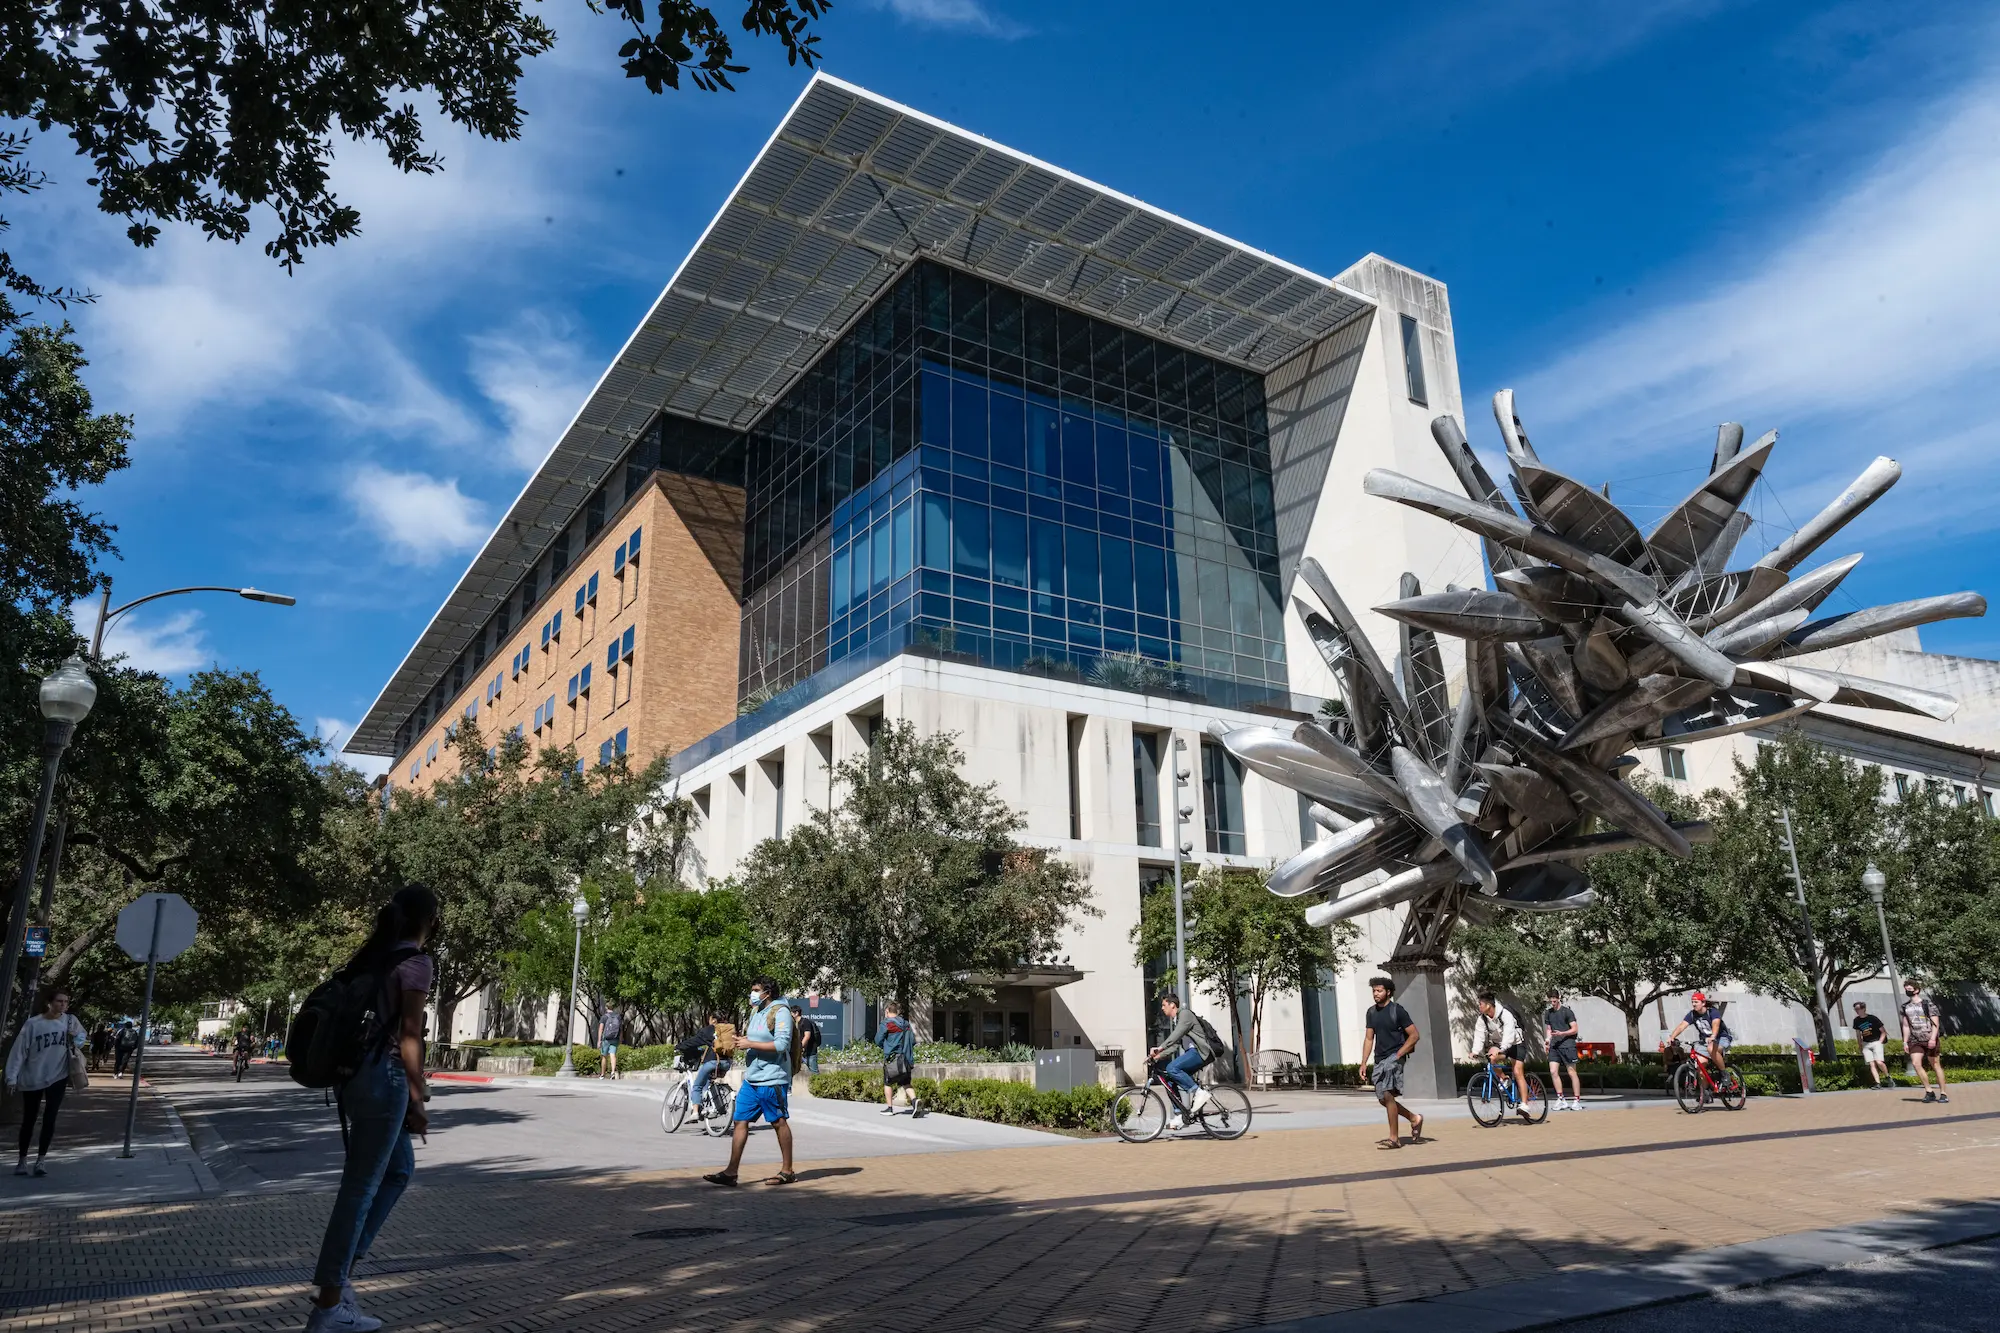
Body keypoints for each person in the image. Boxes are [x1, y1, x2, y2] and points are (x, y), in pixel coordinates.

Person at [302, 884, 439, 1333]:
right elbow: (410, 1035)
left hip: (355, 1079)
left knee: (398, 1171)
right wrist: (418, 1097)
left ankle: (339, 1282)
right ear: (430, 923)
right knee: (359, 1190)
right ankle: (329, 1303)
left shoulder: (374, 957)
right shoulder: (416, 962)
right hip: (387, 1081)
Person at [704, 979, 796, 1187]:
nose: (752, 994)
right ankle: (731, 1172)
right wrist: (741, 1041)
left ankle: (787, 1171)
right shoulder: (757, 1011)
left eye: (756, 990)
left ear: (768, 992)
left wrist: (750, 1043)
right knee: (740, 1121)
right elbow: (756, 1037)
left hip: (772, 1078)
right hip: (752, 1078)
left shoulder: (780, 1012)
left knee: (778, 1121)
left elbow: (782, 1044)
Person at [5, 988, 86, 1177]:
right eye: (59, 1001)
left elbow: (82, 1038)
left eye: (66, 1002)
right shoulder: (33, 1024)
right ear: (49, 1003)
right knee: (29, 1119)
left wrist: (76, 1038)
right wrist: (11, 1077)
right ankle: (22, 1159)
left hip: (58, 1076)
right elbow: (19, 1052)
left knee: (50, 1118)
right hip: (33, 1076)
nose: (63, 1005)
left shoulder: (70, 1021)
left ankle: (41, 1160)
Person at [1358, 976, 1425, 1149]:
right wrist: (1363, 1062)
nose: (1375, 994)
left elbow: (1414, 1035)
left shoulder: (1398, 1010)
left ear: (1388, 992)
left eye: (1379, 990)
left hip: (1395, 1057)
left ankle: (1394, 1139)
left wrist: (1398, 1055)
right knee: (1383, 1099)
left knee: (1387, 1094)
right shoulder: (1371, 1012)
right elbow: (1368, 1038)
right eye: (1373, 990)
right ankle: (1414, 1118)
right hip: (1379, 1059)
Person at [1145, 992, 1221, 1130]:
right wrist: (1157, 1056)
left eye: (1164, 1005)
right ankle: (1179, 1115)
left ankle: (1198, 1092)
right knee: (1168, 1079)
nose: (1162, 1008)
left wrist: (1160, 1047)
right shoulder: (1178, 1020)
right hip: (1192, 1053)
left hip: (1200, 1052)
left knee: (1172, 1068)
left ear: (1172, 1005)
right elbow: (1174, 1045)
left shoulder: (1185, 1014)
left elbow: (1175, 1035)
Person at [1473, 992, 1533, 1123]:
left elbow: (1509, 1034)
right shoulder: (1482, 1019)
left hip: (1516, 1043)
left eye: (1481, 1004)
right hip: (1501, 1044)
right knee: (1491, 1059)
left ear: (1489, 1005)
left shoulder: (1505, 1014)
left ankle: (1524, 1104)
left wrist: (1501, 1049)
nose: (1479, 1006)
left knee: (1517, 1072)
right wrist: (1475, 1051)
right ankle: (1504, 1079)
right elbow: (1479, 1035)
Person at [1900, 980, 1948, 1104]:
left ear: (1916, 990)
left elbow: (1935, 1024)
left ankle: (1943, 1093)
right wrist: (1905, 1041)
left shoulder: (1928, 1004)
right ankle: (1929, 1091)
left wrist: (1933, 1038)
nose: (1907, 990)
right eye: (1906, 988)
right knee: (1916, 1064)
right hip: (1915, 1040)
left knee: (1935, 1065)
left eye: (1909, 988)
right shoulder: (1905, 1007)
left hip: (1929, 1038)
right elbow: (1906, 1025)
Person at [1666, 991, 1731, 1073]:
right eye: (1692, 1002)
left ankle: (1724, 1074)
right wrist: (1672, 1037)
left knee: (1711, 1049)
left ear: (1703, 1003)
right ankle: (1705, 1086)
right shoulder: (1692, 1014)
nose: (1693, 1004)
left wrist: (1713, 1036)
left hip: (1721, 1038)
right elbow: (1682, 1026)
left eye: (1696, 1002)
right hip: (1705, 1042)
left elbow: (1716, 1024)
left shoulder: (1712, 1012)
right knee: (1700, 1065)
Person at [678, 1013, 728, 1120]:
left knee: (697, 1086)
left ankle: (695, 1112)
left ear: (714, 1020)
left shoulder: (709, 1030)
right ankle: (710, 1103)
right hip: (727, 1063)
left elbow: (694, 1041)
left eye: (710, 1019)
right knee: (707, 1081)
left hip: (713, 1062)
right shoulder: (728, 1030)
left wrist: (679, 1047)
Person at [875, 1001, 920, 1115]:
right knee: (905, 1082)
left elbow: (878, 1040)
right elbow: (913, 1041)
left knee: (888, 1082)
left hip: (892, 1059)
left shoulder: (887, 1023)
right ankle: (915, 1101)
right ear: (898, 1012)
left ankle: (890, 1108)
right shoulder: (906, 1024)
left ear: (887, 1011)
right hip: (905, 1059)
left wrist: (886, 1046)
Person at [1543, 989, 1584, 1111]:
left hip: (1568, 1045)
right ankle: (1561, 1099)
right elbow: (1549, 1029)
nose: (1553, 1002)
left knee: (1572, 1073)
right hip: (1555, 1046)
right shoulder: (1548, 1013)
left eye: (1554, 999)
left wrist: (1562, 1033)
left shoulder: (1567, 1012)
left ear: (1558, 998)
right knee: (1553, 1071)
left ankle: (1576, 1100)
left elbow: (1574, 1029)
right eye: (1551, 1000)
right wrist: (1547, 1040)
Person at [1852, 1000, 1890, 1089]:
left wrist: (1880, 1042)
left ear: (1864, 1008)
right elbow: (1858, 1034)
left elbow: (1883, 1032)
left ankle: (1887, 1076)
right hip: (1866, 1043)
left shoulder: (1872, 1018)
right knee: (1871, 1064)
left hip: (1876, 1041)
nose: (1857, 1010)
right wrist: (1860, 1045)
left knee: (1879, 1062)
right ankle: (1877, 1083)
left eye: (1859, 1008)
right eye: (1855, 1009)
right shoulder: (1856, 1020)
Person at [597, 1009, 622, 1079]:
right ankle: (613, 1072)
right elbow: (620, 1029)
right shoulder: (618, 1017)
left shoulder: (604, 1017)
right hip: (615, 1039)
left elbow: (600, 1029)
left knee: (604, 1056)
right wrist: (620, 1039)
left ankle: (602, 1074)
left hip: (606, 1039)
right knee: (613, 1055)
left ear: (606, 1008)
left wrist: (599, 1040)